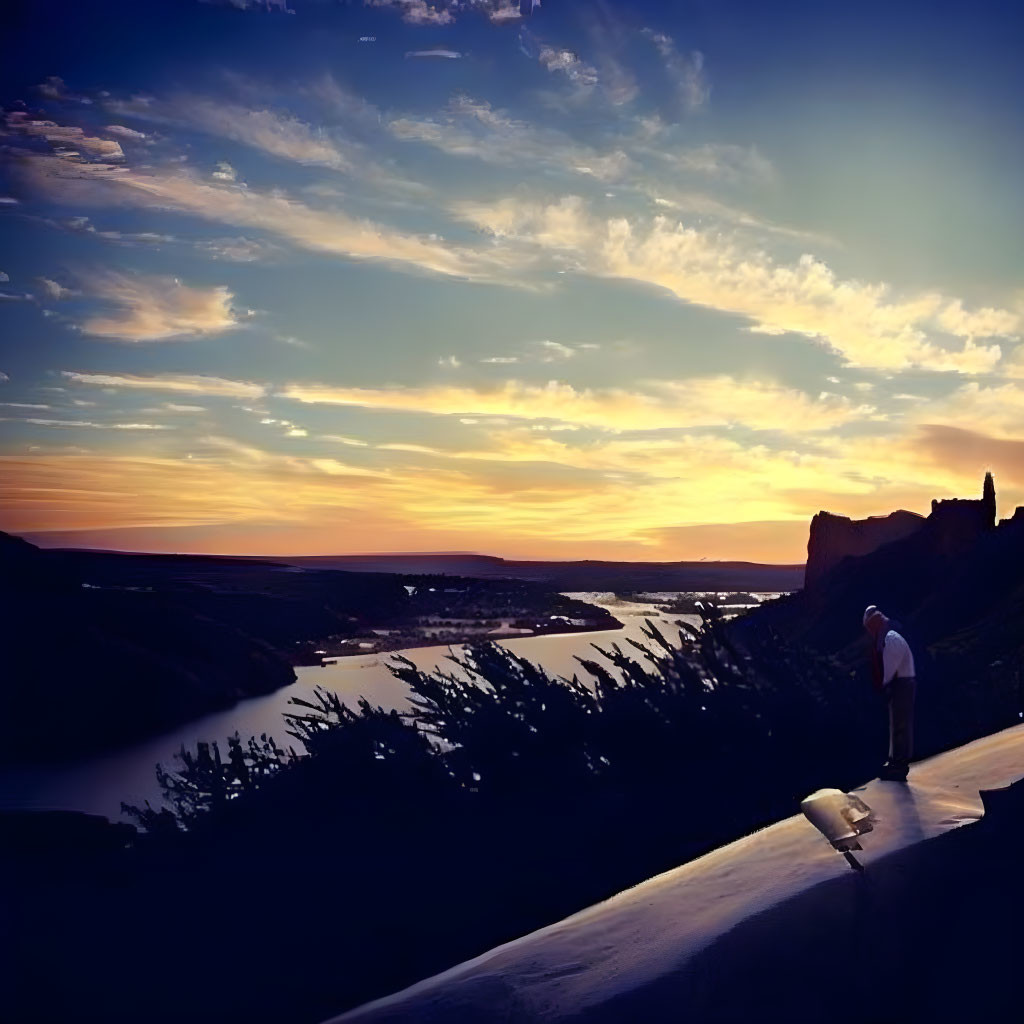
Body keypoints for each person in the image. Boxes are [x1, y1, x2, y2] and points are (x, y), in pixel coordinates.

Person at [863, 605, 916, 781]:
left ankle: (899, 766)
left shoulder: (890, 638)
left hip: (902, 683)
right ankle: (895, 762)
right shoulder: (888, 636)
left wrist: (883, 685)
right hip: (900, 683)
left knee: (900, 725)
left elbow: (890, 666)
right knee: (896, 726)